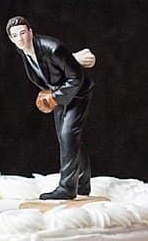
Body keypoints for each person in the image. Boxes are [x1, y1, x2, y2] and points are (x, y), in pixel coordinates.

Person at [6, 17, 98, 201]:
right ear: (11, 39)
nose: (20, 39)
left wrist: (54, 97)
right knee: (68, 137)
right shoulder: (22, 50)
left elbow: (76, 78)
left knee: (68, 135)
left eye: (23, 33)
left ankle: (67, 188)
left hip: (78, 93)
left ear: (31, 32)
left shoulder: (53, 47)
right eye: (15, 35)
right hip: (60, 93)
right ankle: (83, 183)